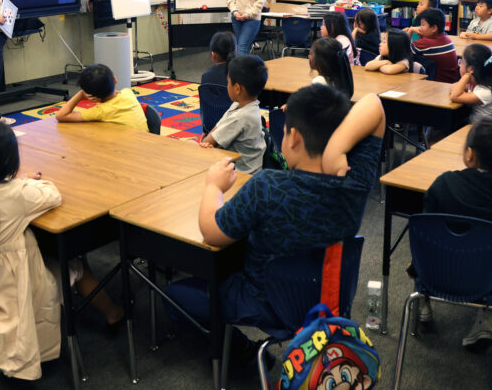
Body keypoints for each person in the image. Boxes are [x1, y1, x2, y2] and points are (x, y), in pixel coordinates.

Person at [165, 88, 385, 369]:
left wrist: (213, 187)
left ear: (293, 137)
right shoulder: (354, 181)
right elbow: (374, 103)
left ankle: (241, 353)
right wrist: (337, 149)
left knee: (173, 294)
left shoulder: (268, 186)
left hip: (264, 303)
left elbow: (211, 232)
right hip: (328, 298)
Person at [0, 121, 124, 380]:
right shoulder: (15, 195)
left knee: (45, 245)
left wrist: (17, 182)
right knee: (78, 264)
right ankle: (114, 313)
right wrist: (22, 182)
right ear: (10, 161)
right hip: (10, 288)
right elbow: (52, 194)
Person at [421, 117, 492, 348]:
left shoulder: (445, 183)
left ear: (470, 154)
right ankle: (484, 318)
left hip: (435, 273)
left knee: (424, 245)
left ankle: (423, 303)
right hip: (486, 278)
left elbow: (424, 230)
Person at [199, 55, 267, 174]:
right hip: (238, 166)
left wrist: (205, 141)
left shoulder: (241, 117)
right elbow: (217, 129)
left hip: (242, 175)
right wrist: (206, 141)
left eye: (228, 82)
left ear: (237, 88)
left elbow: (208, 142)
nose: (227, 85)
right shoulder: (240, 105)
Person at [54, 64, 147, 131]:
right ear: (115, 80)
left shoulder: (100, 111)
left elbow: (61, 116)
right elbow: (116, 93)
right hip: (145, 144)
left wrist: (81, 94)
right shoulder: (128, 92)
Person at [449, 43, 492, 118]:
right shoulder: (481, 83)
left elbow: (454, 96)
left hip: (480, 128)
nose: (459, 65)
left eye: (461, 62)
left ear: (471, 69)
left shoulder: (485, 92)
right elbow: (453, 86)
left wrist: (466, 76)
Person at [409, 7, 460, 83]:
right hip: (451, 83)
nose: (420, 28)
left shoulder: (425, 43)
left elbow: (402, 52)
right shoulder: (446, 38)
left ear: (433, 28)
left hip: (440, 86)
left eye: (423, 25)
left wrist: (410, 31)